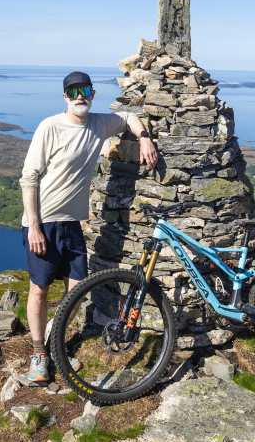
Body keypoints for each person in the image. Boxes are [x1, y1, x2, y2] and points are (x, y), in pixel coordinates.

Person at [19, 71, 157, 384]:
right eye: (73, 92)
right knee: (39, 290)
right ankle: (39, 353)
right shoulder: (50, 127)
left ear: (92, 94)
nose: (80, 96)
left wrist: (145, 137)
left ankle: (56, 343)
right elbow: (29, 178)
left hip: (71, 224)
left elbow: (128, 117)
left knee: (77, 289)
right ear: (65, 97)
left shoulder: (98, 123)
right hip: (43, 222)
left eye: (85, 90)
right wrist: (34, 227)